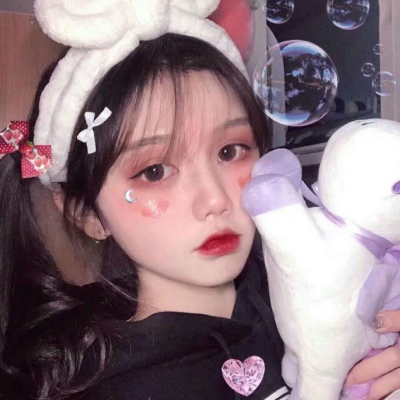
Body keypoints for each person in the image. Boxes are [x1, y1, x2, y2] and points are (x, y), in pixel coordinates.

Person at [0, 2, 399, 400]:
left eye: (230, 151)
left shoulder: (314, 291)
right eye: (154, 171)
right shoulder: (111, 387)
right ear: (87, 213)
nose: (214, 199)